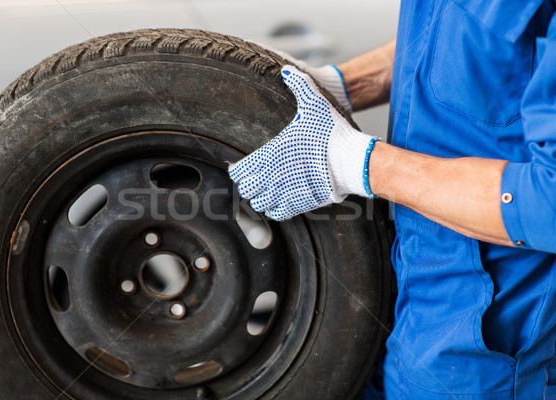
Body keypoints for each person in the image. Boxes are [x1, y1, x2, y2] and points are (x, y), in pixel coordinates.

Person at [229, 0, 556, 399]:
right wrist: (341, 85)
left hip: (483, 356)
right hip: (399, 300)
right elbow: (450, 33)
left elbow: (549, 203)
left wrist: (361, 163)